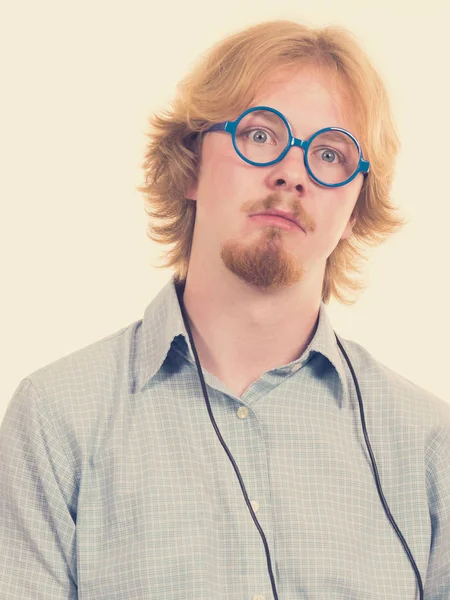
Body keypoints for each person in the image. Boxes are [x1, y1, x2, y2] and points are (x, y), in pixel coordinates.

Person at [1, 19, 449, 600]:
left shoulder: (429, 446)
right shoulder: (57, 420)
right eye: (260, 135)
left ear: (355, 210)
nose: (292, 172)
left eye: (332, 154)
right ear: (191, 164)